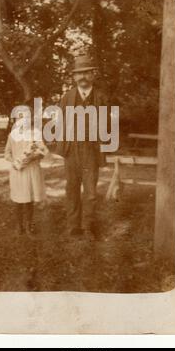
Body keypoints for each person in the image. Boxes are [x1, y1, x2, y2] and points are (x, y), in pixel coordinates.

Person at [55, 54, 110, 239]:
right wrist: (63, 148)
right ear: (74, 77)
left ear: (93, 74)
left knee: (91, 192)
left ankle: (87, 226)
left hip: (91, 150)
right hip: (72, 149)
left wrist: (104, 150)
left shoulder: (101, 98)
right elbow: (60, 124)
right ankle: (73, 226)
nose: (83, 77)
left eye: (86, 73)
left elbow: (107, 126)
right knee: (72, 189)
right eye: (79, 74)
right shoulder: (66, 98)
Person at [4, 106, 48, 235]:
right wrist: (15, 162)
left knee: (29, 199)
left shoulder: (36, 133)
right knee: (18, 199)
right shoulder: (12, 135)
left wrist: (34, 156)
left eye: (27, 117)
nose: (24, 120)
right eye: (21, 117)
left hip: (31, 170)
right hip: (17, 171)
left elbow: (43, 152)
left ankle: (29, 226)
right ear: (17, 119)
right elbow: (7, 153)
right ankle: (19, 226)